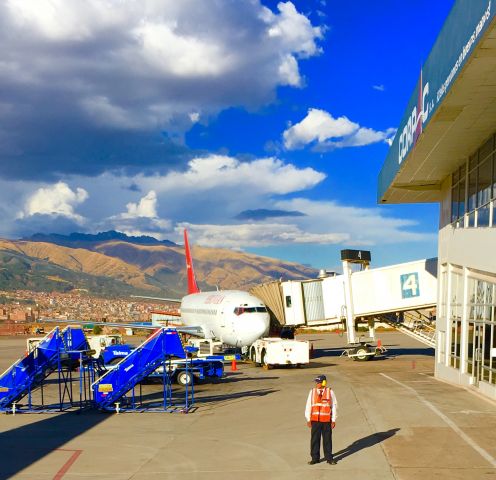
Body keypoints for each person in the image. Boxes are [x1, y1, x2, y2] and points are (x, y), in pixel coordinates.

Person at [305, 374, 337, 465]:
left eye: (318, 382)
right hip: (315, 420)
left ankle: (329, 458)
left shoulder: (330, 392)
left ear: (324, 382)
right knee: (315, 439)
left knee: (327, 440)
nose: (317, 384)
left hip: (326, 421)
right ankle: (315, 458)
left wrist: (333, 419)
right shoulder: (312, 392)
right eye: (316, 382)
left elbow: (334, 406)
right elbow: (308, 406)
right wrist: (308, 419)